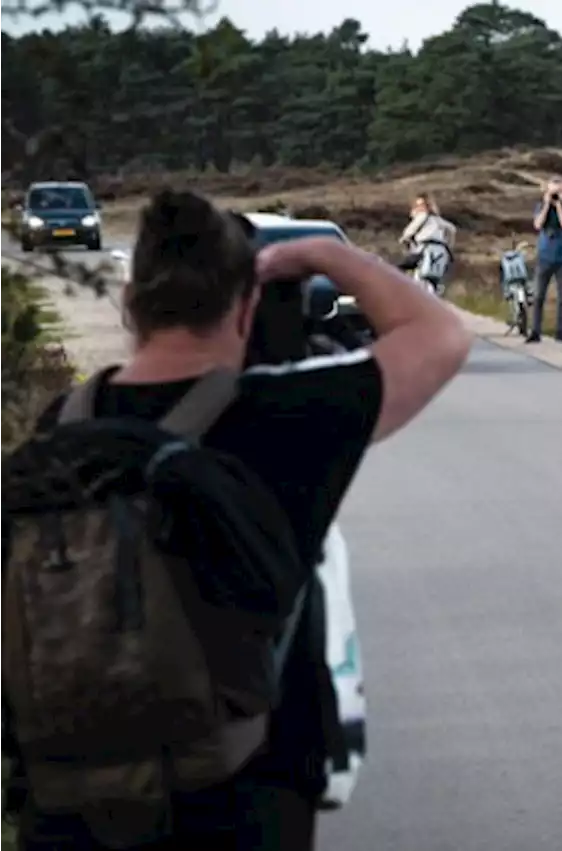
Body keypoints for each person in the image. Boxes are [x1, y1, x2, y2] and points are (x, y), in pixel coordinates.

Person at [15, 189, 471, 850]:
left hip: (70, 803)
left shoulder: (63, 422)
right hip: (245, 799)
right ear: (246, 303)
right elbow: (441, 334)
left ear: (131, 301)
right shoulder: (291, 416)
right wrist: (318, 253)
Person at [526, 175, 562, 343]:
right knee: (539, 295)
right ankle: (535, 331)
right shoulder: (541, 206)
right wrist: (548, 204)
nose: (556, 195)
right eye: (553, 192)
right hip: (545, 255)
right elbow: (538, 225)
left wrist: (559, 206)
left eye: (559, 191)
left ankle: (560, 332)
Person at [395, 192, 452, 273]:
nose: (420, 208)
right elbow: (452, 229)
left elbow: (409, 231)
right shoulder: (438, 220)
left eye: (421, 205)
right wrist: (448, 244)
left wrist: (404, 238)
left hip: (424, 250)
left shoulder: (422, 216)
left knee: (401, 269)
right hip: (440, 252)